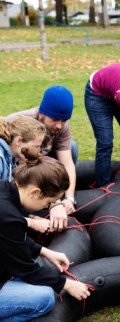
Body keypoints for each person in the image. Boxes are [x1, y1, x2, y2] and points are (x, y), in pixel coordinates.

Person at [0, 148, 90, 322]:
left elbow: (9, 241)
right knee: (45, 298)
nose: (47, 207)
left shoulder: (4, 189)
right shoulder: (8, 216)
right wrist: (65, 284)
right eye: (48, 202)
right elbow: (24, 268)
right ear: (34, 192)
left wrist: (45, 251)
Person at [6, 86, 78, 232]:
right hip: (20, 163)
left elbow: (68, 163)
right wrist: (54, 203)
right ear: (42, 113)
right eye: (55, 120)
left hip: (41, 158)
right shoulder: (22, 124)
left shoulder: (61, 125)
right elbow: (26, 168)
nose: (60, 125)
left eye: (64, 120)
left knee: (73, 147)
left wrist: (69, 198)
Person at [0, 116, 53, 234]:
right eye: (36, 146)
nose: (38, 152)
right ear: (18, 141)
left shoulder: (12, 159)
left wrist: (31, 217)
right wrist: (30, 222)